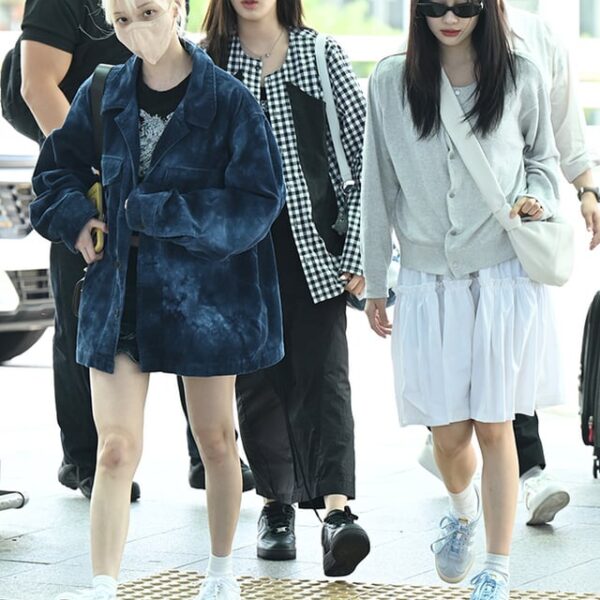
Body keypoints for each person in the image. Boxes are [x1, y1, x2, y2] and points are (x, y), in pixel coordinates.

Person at [29, 0, 285, 598]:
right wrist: (77, 222)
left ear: (178, 8)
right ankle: (103, 588)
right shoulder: (103, 91)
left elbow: (255, 202)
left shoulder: (228, 100)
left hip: (206, 299)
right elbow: (54, 174)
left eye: (147, 11)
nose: (135, 29)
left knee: (218, 441)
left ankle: (221, 576)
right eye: (121, 19)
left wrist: (158, 213)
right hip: (119, 293)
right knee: (114, 450)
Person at [361, 1, 563, 598]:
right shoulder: (390, 81)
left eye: (465, 5)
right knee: (448, 436)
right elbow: (378, 183)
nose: (450, 17)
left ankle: (497, 567)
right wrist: (376, 279)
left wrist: (538, 199)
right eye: (435, 5)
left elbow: (542, 162)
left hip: (501, 276)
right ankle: (463, 510)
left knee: (496, 425)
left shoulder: (521, 71)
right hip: (427, 282)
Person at [202, 0, 371, 577]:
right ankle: (275, 506)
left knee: (324, 376)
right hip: (238, 254)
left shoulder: (320, 55)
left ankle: (337, 512)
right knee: (257, 383)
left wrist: (358, 248)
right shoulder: (209, 62)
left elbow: (363, 157)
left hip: (313, 246)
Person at [418, 0, 600, 528]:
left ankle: (529, 471)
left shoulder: (537, 38)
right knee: (471, 390)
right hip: (451, 246)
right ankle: (464, 451)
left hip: (512, 236)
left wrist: (585, 188)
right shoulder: (433, 34)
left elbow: (558, 124)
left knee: (506, 371)